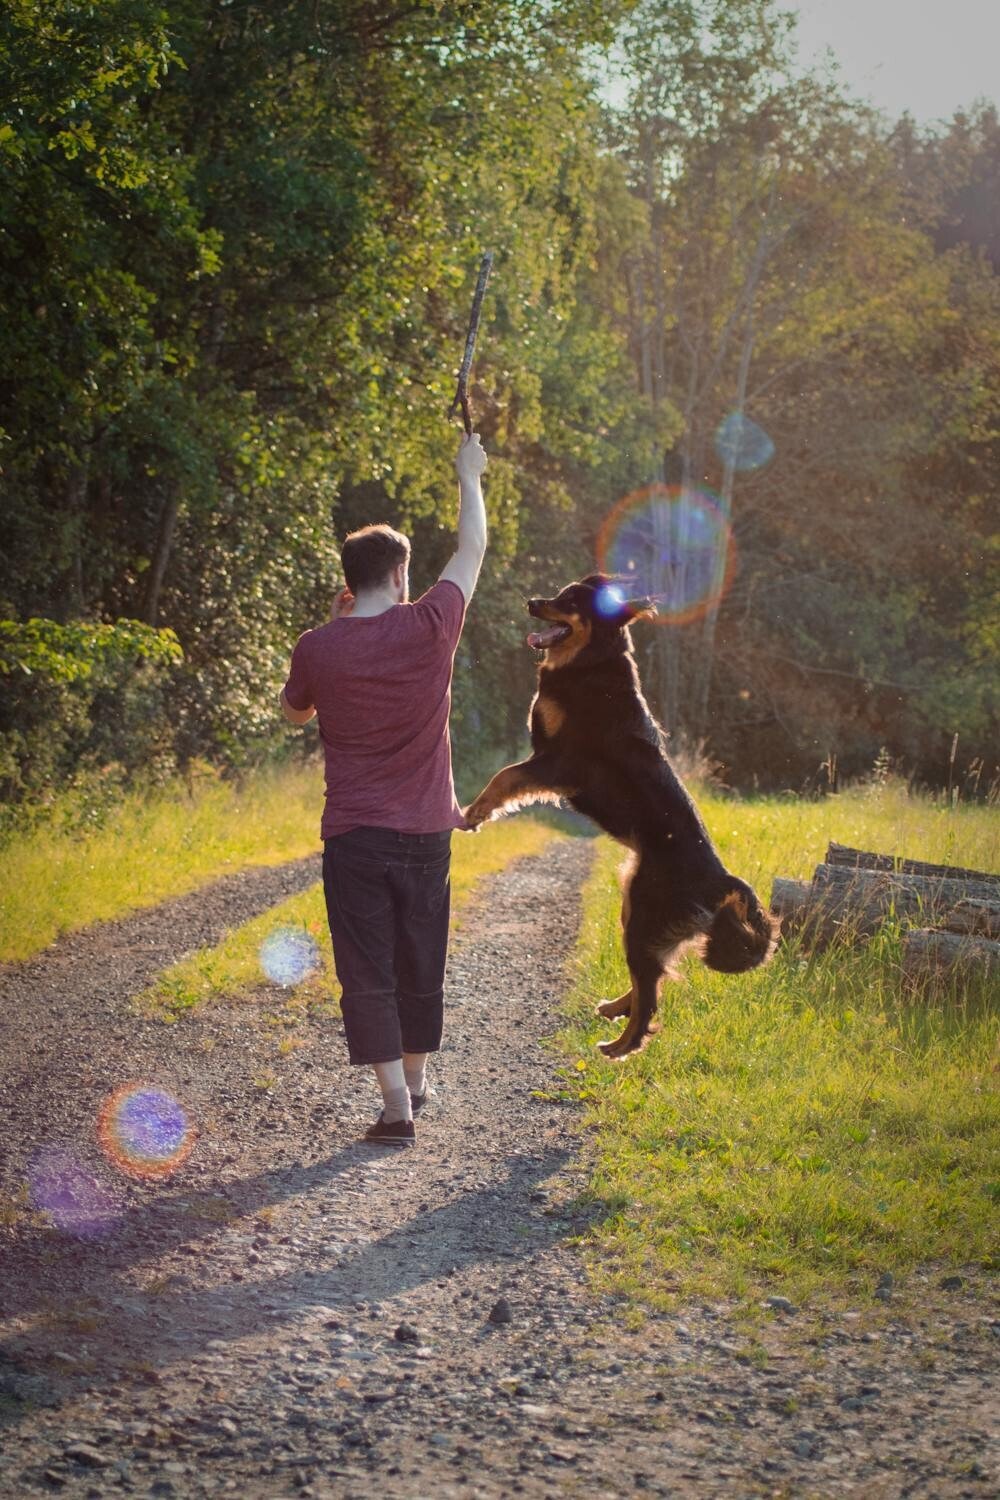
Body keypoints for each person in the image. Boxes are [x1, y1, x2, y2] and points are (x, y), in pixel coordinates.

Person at [279, 433, 488, 1145]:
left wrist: (335, 633)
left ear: (349, 580)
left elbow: (296, 712)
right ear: (400, 576)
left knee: (367, 965)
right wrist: (468, 473)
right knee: (420, 954)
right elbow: (472, 547)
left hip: (355, 836)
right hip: (427, 833)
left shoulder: (318, 645)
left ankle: (397, 1106)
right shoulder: (431, 625)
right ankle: (419, 1080)